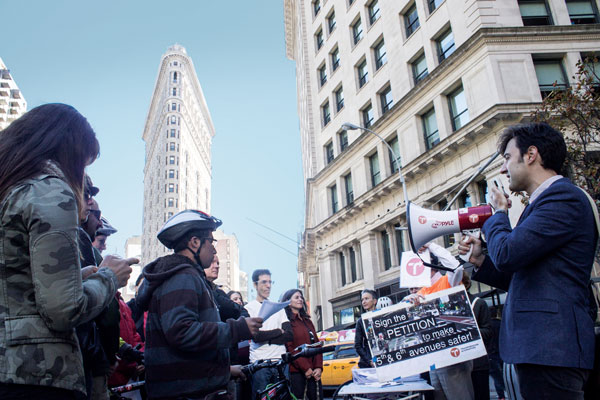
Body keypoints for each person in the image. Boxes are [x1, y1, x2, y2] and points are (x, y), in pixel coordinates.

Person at [0, 103, 135, 399]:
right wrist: (109, 277)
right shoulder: (50, 191)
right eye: (84, 163)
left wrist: (80, 277)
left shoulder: (10, 190)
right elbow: (63, 310)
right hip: (38, 375)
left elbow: (19, 285)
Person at [459, 123, 597, 399]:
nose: (503, 168)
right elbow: (522, 275)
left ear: (531, 154)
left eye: (508, 158)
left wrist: (496, 215)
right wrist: (479, 259)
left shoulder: (561, 198)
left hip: (551, 348)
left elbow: (508, 254)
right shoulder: (543, 204)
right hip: (543, 348)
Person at [137, 210, 262, 399]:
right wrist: (237, 329)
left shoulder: (189, 276)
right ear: (194, 242)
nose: (214, 249)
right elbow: (182, 332)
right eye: (210, 242)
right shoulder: (182, 277)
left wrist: (224, 370)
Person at [245, 269, 293, 398]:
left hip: (280, 363)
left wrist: (267, 336)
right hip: (260, 364)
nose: (268, 285)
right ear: (255, 285)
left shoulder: (279, 308)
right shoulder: (249, 308)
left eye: (270, 282)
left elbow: (289, 335)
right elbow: (256, 337)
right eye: (264, 282)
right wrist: (278, 331)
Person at [281, 289, 323, 400]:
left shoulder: (307, 321)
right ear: (288, 302)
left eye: (301, 297)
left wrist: (319, 367)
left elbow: (317, 345)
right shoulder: (287, 322)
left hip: (315, 372)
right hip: (297, 373)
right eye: (296, 297)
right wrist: (306, 368)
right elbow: (290, 348)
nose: (300, 299)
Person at [462, 274, 492, 400]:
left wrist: (469, 332)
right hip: (460, 366)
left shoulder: (478, 303)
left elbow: (488, 331)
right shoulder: (448, 306)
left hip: (478, 364)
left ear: (466, 284)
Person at [354, 289, 378, 368]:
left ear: (374, 301)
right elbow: (358, 345)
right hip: (368, 363)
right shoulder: (360, 321)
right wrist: (369, 360)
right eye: (362, 300)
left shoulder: (382, 316)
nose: (363, 302)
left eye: (366, 299)